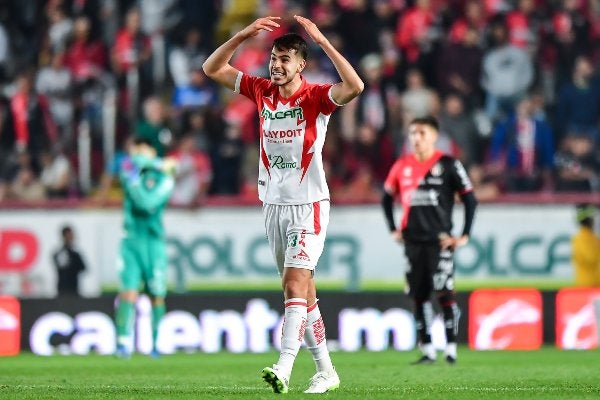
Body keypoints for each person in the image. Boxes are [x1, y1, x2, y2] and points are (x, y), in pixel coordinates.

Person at [202, 15, 364, 394]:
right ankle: (326, 371)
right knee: (302, 293)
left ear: (301, 65)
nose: (276, 64)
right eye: (274, 57)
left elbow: (355, 85)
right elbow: (212, 69)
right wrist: (242, 35)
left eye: (285, 59)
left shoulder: (317, 98)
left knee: (294, 284)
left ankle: (285, 368)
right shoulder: (261, 91)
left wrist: (322, 40)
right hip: (273, 204)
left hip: (309, 205)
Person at [381, 116, 477, 365]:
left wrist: (464, 234)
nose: (416, 138)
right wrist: (393, 229)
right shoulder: (402, 165)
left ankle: (451, 349)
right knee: (419, 296)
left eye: (422, 133)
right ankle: (428, 350)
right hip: (412, 242)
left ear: (434, 136)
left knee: (445, 294)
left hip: (440, 241)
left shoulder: (448, 164)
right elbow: (386, 198)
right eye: (412, 133)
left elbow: (469, 198)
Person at [114, 137, 176, 359]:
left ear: (152, 150)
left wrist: (149, 169)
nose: (137, 152)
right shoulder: (130, 169)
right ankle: (122, 343)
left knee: (156, 294)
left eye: (142, 148)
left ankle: (156, 344)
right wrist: (156, 164)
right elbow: (127, 168)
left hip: (153, 242)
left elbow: (148, 203)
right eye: (135, 149)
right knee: (128, 292)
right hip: (131, 241)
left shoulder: (163, 178)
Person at [52, 225, 86, 297]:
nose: (71, 237)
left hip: (73, 290)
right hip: (64, 291)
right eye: (69, 235)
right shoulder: (61, 254)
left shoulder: (75, 254)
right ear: (64, 236)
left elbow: (83, 268)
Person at [571, 204, 600, 287]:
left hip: (593, 284)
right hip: (587, 285)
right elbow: (591, 258)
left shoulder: (593, 238)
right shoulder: (581, 239)